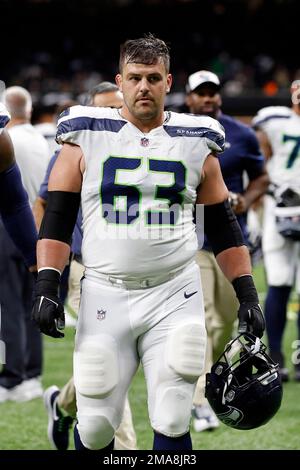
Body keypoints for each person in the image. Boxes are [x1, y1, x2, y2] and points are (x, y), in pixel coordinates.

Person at [32, 34, 264, 451]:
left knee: (174, 415)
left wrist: (247, 294)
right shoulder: (85, 133)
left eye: (153, 77)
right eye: (135, 77)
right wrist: (48, 284)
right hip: (105, 289)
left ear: (168, 81)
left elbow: (224, 226)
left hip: (175, 291)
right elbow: (58, 218)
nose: (144, 87)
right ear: (119, 81)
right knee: (99, 424)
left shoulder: (196, 139)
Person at [35, 82, 137, 450]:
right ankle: (124, 450)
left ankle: (62, 405)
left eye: (117, 108)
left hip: (138, 275)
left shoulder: (143, 144)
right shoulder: (77, 145)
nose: (112, 116)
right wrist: (47, 266)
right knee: (112, 365)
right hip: (87, 270)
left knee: (113, 361)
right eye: (104, 109)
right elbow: (44, 202)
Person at [185, 70, 269, 432]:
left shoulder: (242, 134)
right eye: (200, 93)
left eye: (212, 93)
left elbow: (261, 178)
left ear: (219, 96)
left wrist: (245, 201)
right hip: (193, 238)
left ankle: (212, 377)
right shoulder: (179, 132)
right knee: (203, 318)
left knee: (223, 321)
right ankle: (199, 400)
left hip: (230, 237)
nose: (207, 98)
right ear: (188, 97)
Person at [0, 87, 49, 403]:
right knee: (31, 302)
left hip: (10, 228)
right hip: (38, 225)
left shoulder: (8, 139)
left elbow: (13, 201)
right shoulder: (44, 141)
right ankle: (32, 374)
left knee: (9, 305)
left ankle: (14, 375)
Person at [252, 81, 300, 382]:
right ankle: (279, 356)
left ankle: (283, 357)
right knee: (280, 282)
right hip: (279, 207)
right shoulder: (276, 119)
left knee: (283, 284)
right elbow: (261, 157)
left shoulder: (276, 120)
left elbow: (262, 155)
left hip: (279, 204)